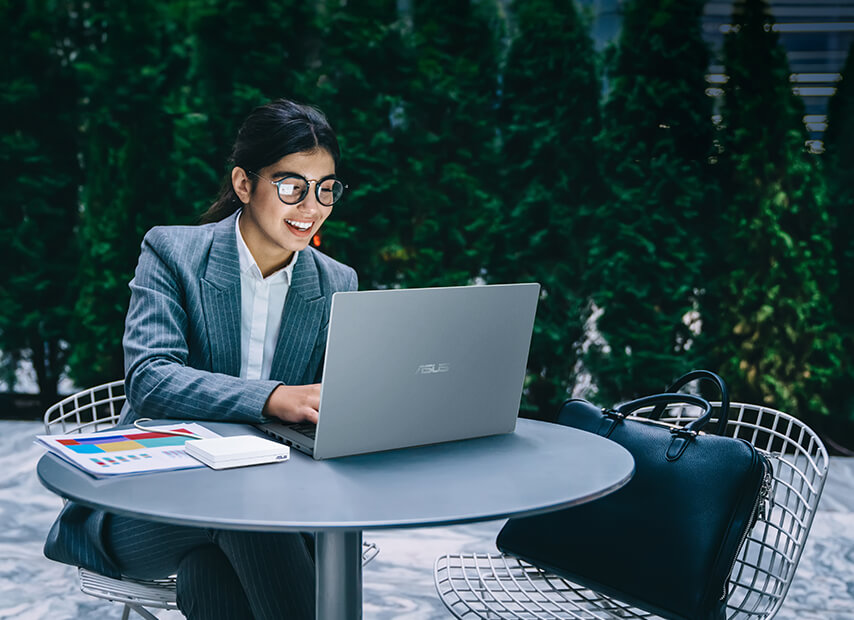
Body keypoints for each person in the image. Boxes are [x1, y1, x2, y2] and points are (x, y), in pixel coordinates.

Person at [44, 98, 357, 619]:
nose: (312, 206)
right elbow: (151, 378)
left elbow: (329, 407)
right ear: (243, 184)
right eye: (291, 186)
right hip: (149, 501)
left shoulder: (333, 282)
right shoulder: (172, 252)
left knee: (210, 574)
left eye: (325, 189)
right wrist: (274, 399)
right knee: (252, 516)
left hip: (272, 503)